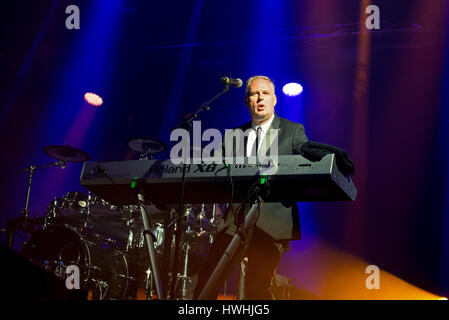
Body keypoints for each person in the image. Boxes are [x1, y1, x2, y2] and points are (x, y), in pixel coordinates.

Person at [194, 75, 309, 300]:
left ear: (275, 99)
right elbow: (212, 170)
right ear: (247, 101)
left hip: (272, 222)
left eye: (265, 93)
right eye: (255, 94)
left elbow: (305, 160)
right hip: (235, 221)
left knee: (257, 289)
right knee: (207, 281)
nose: (260, 98)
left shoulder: (293, 130)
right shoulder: (233, 136)